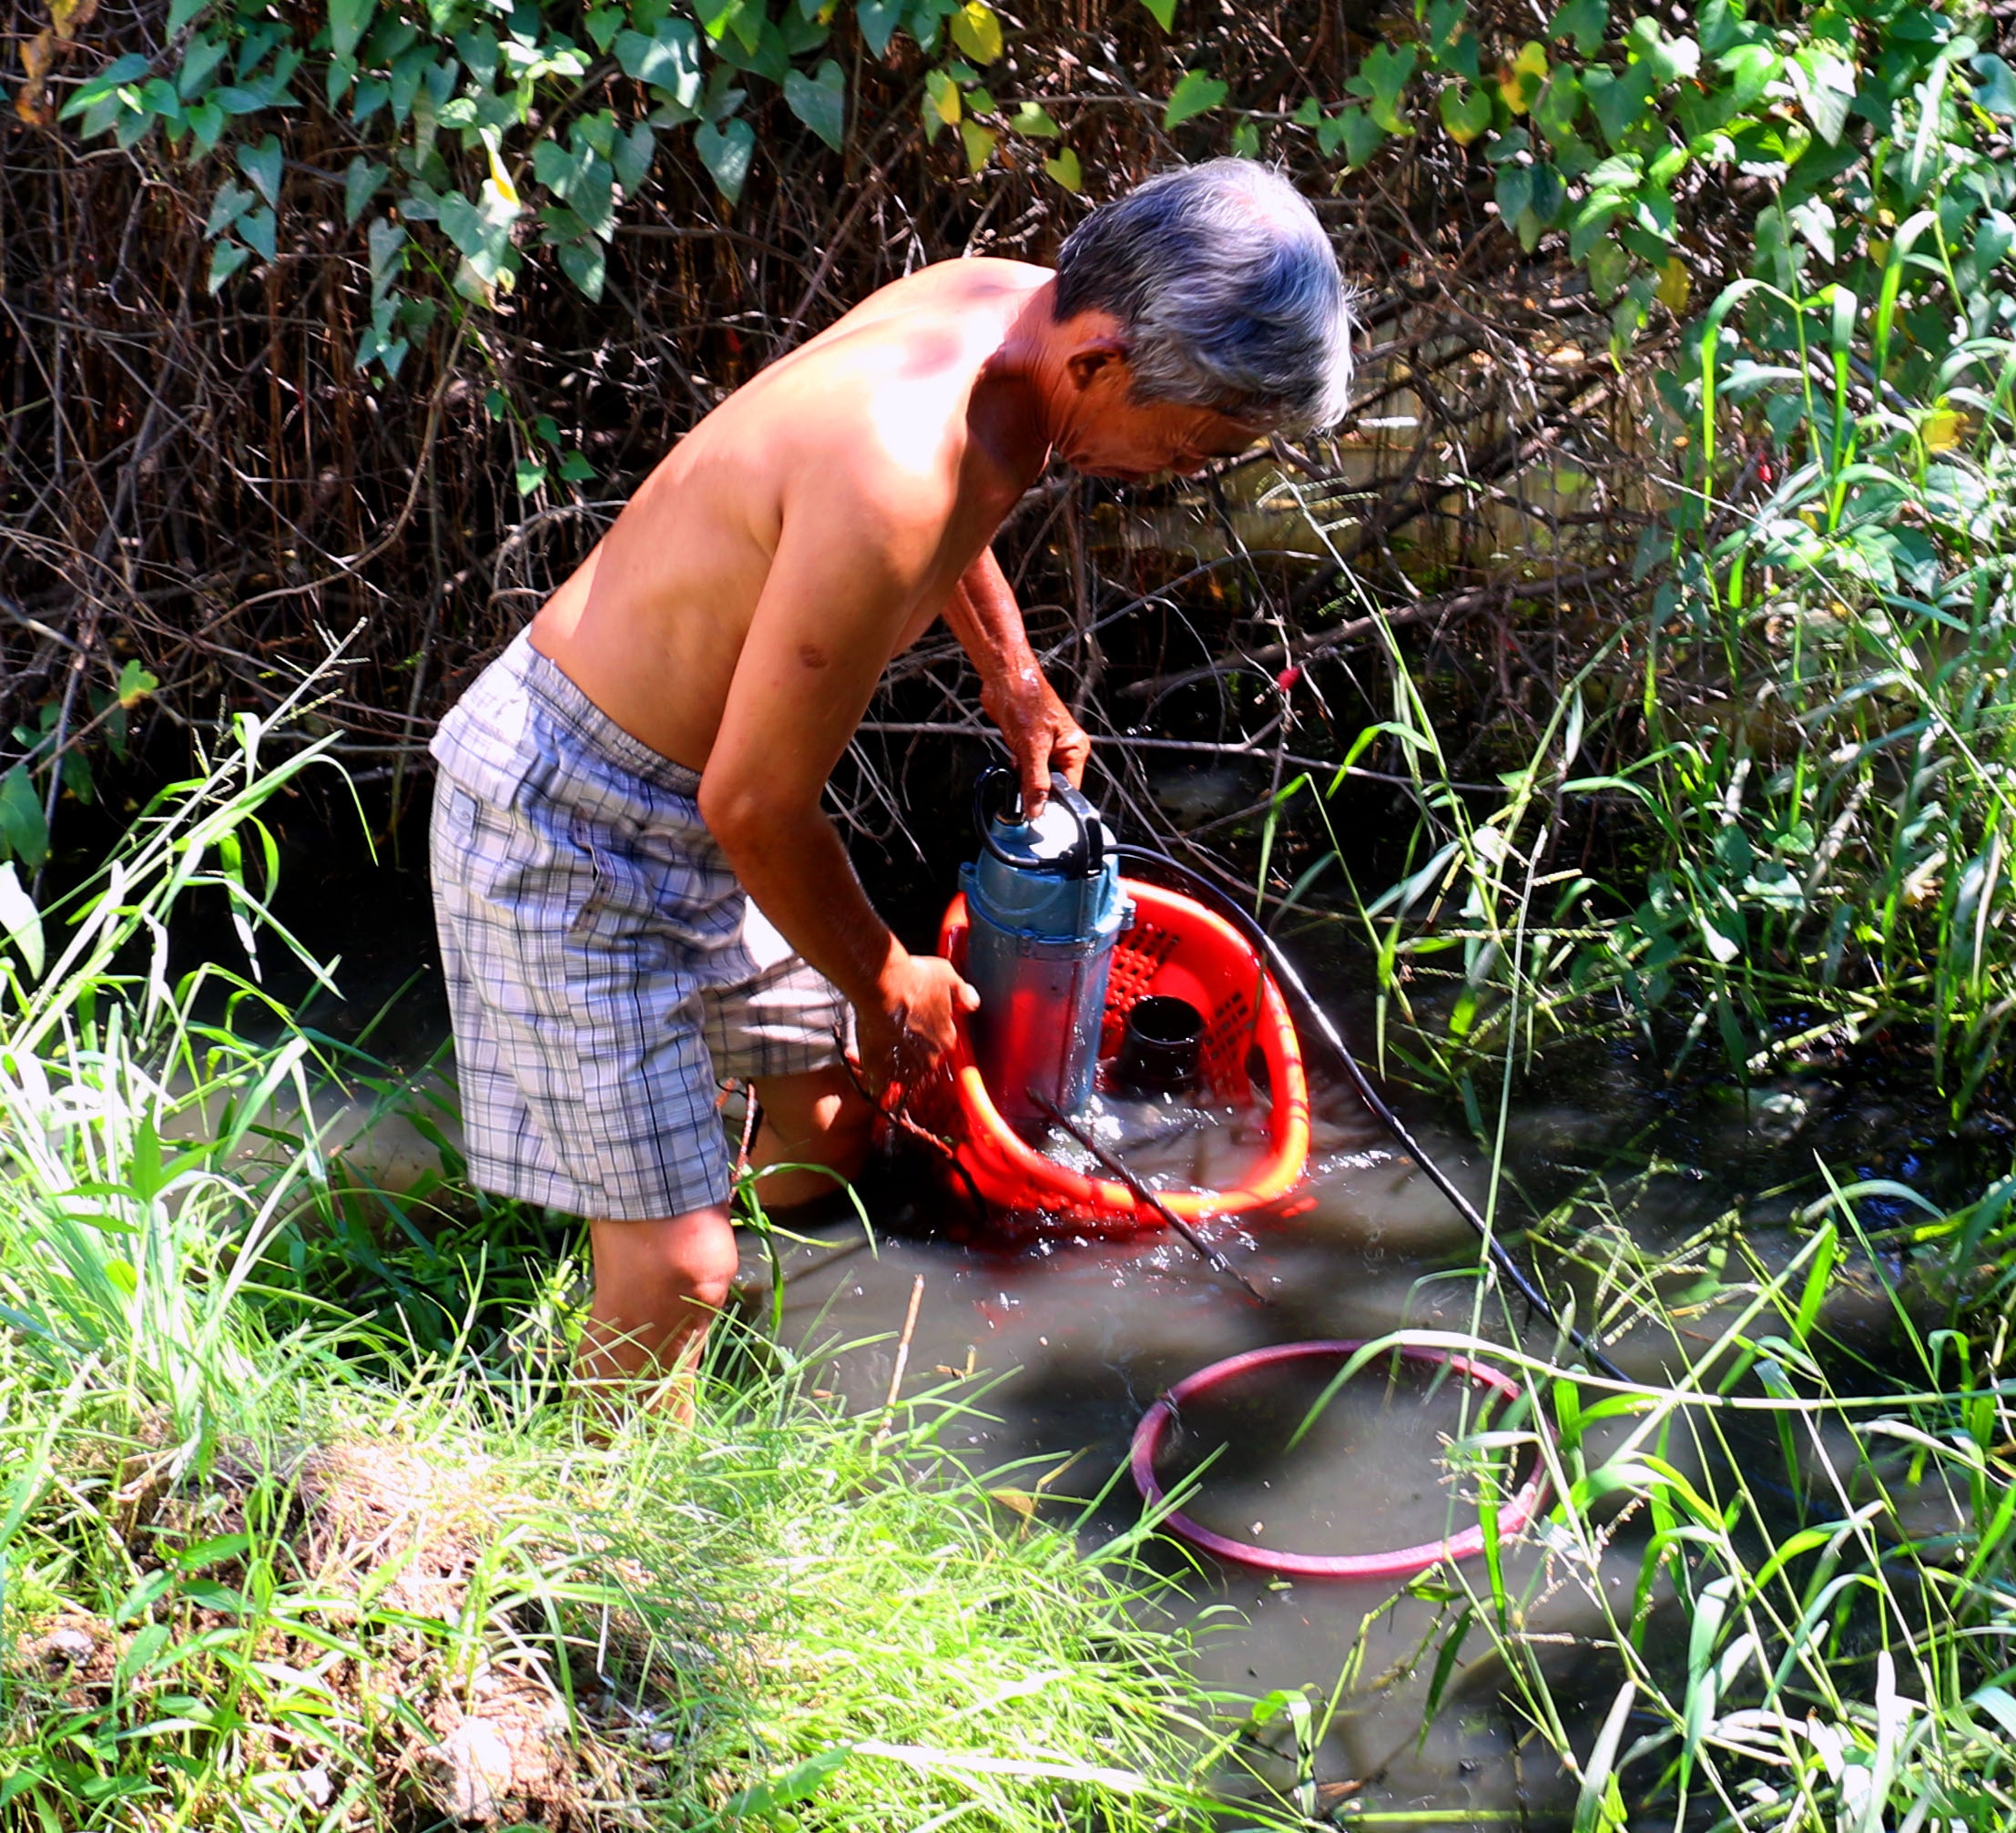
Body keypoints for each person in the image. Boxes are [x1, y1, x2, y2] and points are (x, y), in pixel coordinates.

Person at [427, 159, 1349, 1404]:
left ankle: (652, 1210)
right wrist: (887, 975)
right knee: (688, 1267)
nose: (1184, 474)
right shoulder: (892, 470)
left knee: (829, 1130)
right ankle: (607, 1543)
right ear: (1103, 363)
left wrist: (1014, 673)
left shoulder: (1009, 315)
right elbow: (752, 805)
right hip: (564, 810)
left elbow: (961, 516)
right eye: (1191, 444)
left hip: (689, 795)